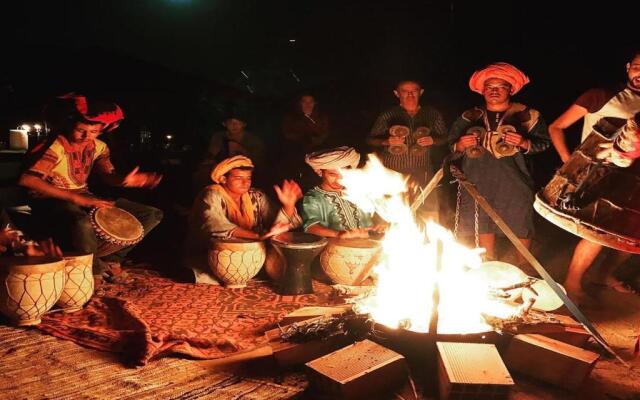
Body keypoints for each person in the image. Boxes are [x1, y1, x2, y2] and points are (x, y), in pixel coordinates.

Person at [18, 94, 163, 277]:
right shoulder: (56, 146)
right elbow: (28, 180)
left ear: (102, 130)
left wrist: (124, 180)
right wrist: (78, 199)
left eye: (94, 132)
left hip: (83, 196)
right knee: (81, 221)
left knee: (151, 215)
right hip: (49, 199)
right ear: (70, 125)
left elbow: (107, 175)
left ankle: (113, 258)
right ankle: (92, 272)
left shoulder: (99, 147)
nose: (87, 136)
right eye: (81, 130)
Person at [548, 50, 640, 301]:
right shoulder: (601, 95)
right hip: (599, 176)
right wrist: (571, 164)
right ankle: (573, 283)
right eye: (637, 66)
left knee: (632, 236)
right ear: (627, 67)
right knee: (597, 232)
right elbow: (556, 127)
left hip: (633, 181)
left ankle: (603, 274)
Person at [449, 62, 550, 261]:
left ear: (510, 89)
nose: (494, 91)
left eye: (500, 87)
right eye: (489, 87)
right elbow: (451, 143)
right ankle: (489, 263)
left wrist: (523, 142)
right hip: (476, 175)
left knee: (520, 217)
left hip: (514, 177)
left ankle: (523, 265)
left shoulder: (527, 115)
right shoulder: (469, 116)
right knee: (483, 215)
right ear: (482, 91)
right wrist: (460, 145)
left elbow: (544, 143)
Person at [185, 155, 302, 284]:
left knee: (281, 268)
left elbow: (277, 224)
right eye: (238, 178)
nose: (245, 182)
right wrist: (258, 235)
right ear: (223, 179)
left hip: (253, 256)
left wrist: (288, 206)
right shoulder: (211, 194)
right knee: (203, 275)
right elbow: (213, 224)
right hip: (213, 255)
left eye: (248, 178)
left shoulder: (256, 196)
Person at [367, 80, 447, 220]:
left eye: (414, 90)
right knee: (393, 213)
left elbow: (445, 138)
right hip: (393, 172)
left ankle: (433, 239)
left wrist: (433, 140)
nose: (410, 94)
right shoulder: (388, 115)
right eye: (405, 91)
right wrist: (386, 141)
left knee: (430, 211)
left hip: (423, 171)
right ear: (397, 94)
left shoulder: (432, 114)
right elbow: (370, 139)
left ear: (420, 92)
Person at [301, 146, 384, 238]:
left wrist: (381, 225)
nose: (339, 180)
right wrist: (338, 234)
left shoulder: (360, 190)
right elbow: (310, 227)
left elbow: (379, 213)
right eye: (332, 174)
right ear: (320, 172)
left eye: (343, 174)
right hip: (335, 248)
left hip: (371, 246)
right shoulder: (313, 197)